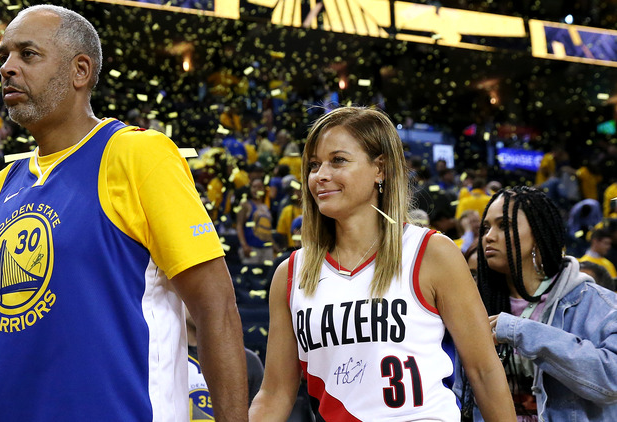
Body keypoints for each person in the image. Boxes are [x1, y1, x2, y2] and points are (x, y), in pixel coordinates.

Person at [0, 5, 247, 421]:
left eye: (27, 54)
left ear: (80, 71)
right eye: (4, 55)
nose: (7, 68)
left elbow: (216, 307)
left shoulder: (138, 154)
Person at [249, 107, 515, 421]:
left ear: (380, 169)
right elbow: (276, 392)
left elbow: (483, 370)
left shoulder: (431, 253)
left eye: (338, 160)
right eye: (314, 165)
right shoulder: (291, 274)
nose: (320, 175)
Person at [469, 186, 617, 420]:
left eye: (504, 225)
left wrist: (522, 332)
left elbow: (612, 380)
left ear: (539, 234)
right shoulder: (476, 303)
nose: (489, 236)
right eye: (486, 227)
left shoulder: (596, 303)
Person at [236, 178, 275, 264]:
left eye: (260, 187)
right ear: (250, 189)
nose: (257, 190)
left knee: (268, 275)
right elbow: (239, 226)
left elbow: (268, 229)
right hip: (252, 247)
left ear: (264, 189)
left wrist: (274, 246)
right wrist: (244, 246)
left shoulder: (266, 206)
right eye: (254, 187)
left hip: (267, 248)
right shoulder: (245, 204)